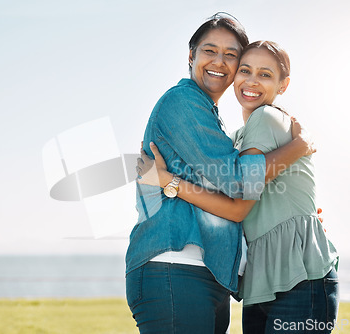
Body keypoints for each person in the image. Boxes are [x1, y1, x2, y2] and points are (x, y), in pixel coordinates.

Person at [126, 12, 315, 334]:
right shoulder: (183, 101)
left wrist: (292, 212)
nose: (219, 61)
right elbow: (239, 182)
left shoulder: (215, 121)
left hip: (205, 273)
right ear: (191, 56)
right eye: (210, 50)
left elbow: (236, 203)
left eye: (231, 55)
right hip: (173, 267)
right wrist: (300, 146)